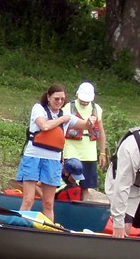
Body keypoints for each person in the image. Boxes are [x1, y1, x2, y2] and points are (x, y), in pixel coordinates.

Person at [17, 85, 88, 222]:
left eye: (62, 99)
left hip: (53, 160)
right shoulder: (39, 109)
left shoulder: (66, 115)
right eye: (56, 98)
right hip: (33, 157)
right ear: (49, 97)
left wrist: (90, 122)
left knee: (49, 204)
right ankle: (19, 225)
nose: (59, 102)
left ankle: (48, 229)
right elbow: (44, 126)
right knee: (28, 199)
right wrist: (63, 119)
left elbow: (84, 125)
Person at [63, 82, 106, 193]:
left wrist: (102, 152)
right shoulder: (68, 107)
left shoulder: (96, 109)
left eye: (86, 101)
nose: (84, 103)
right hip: (71, 151)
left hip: (89, 154)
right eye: (82, 100)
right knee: (68, 184)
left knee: (86, 186)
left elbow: (101, 132)